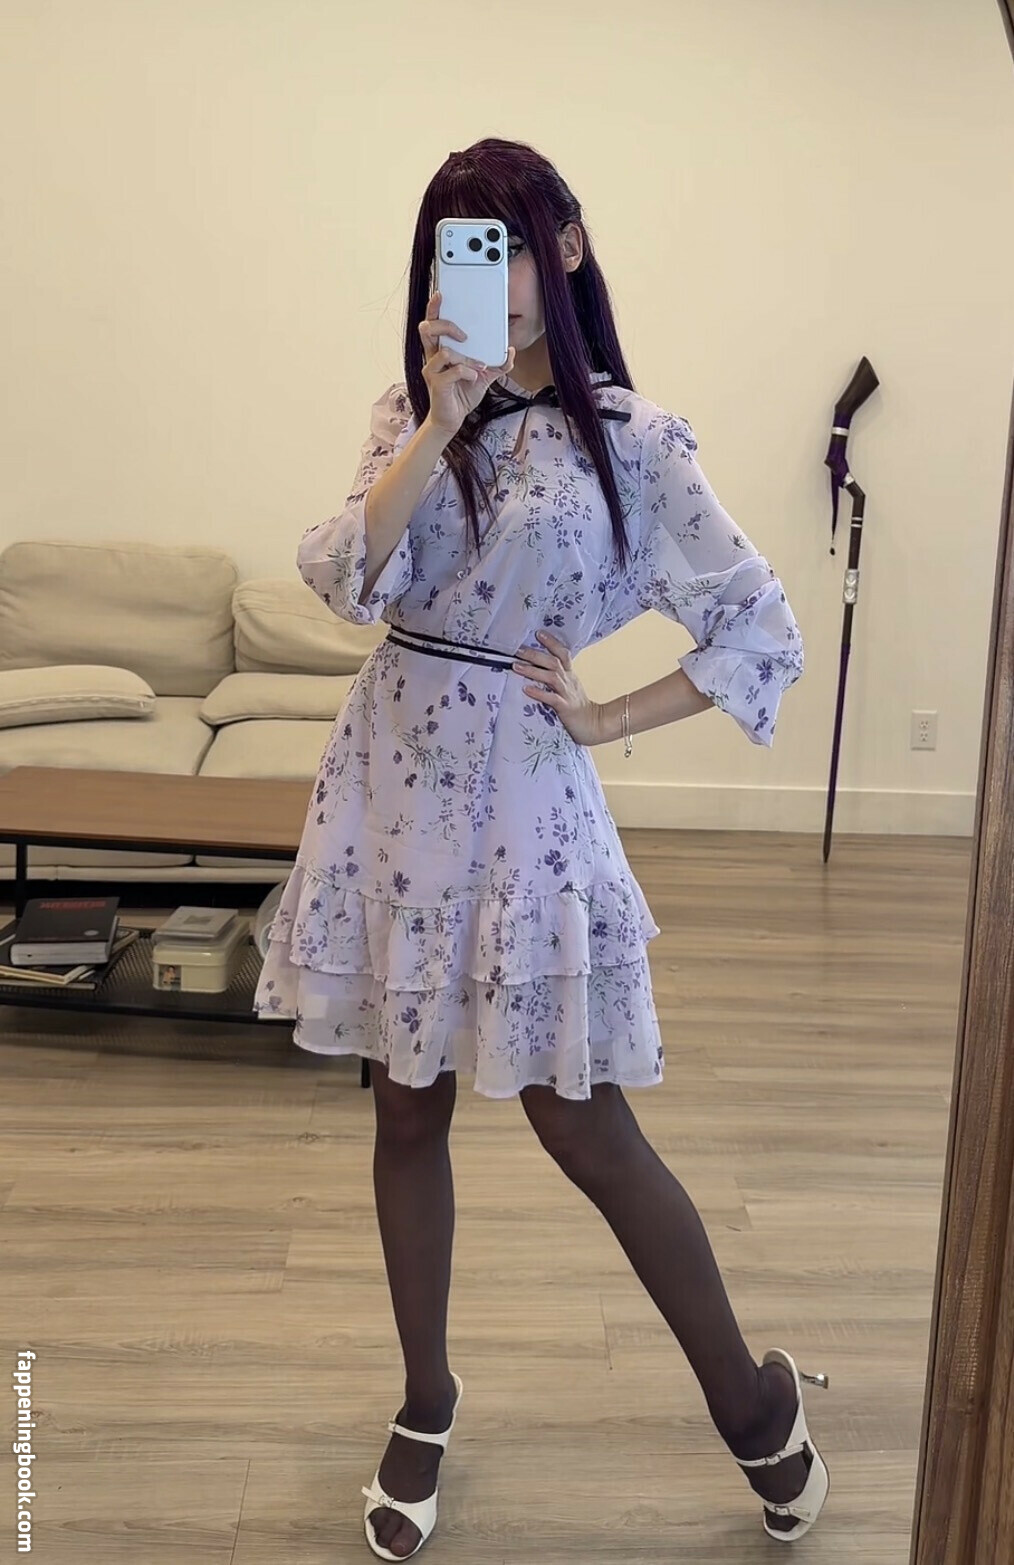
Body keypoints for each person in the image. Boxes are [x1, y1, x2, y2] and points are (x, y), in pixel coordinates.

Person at [255, 137, 825, 1560]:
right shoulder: (407, 414)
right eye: (461, 246)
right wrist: (435, 425)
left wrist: (609, 713)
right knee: (405, 1109)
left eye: (507, 243)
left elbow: (760, 627)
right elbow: (344, 577)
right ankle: (426, 1400)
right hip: (390, 779)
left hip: (522, 792)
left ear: (564, 249)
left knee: (583, 1120)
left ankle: (752, 1401)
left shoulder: (633, 440)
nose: (489, 275)